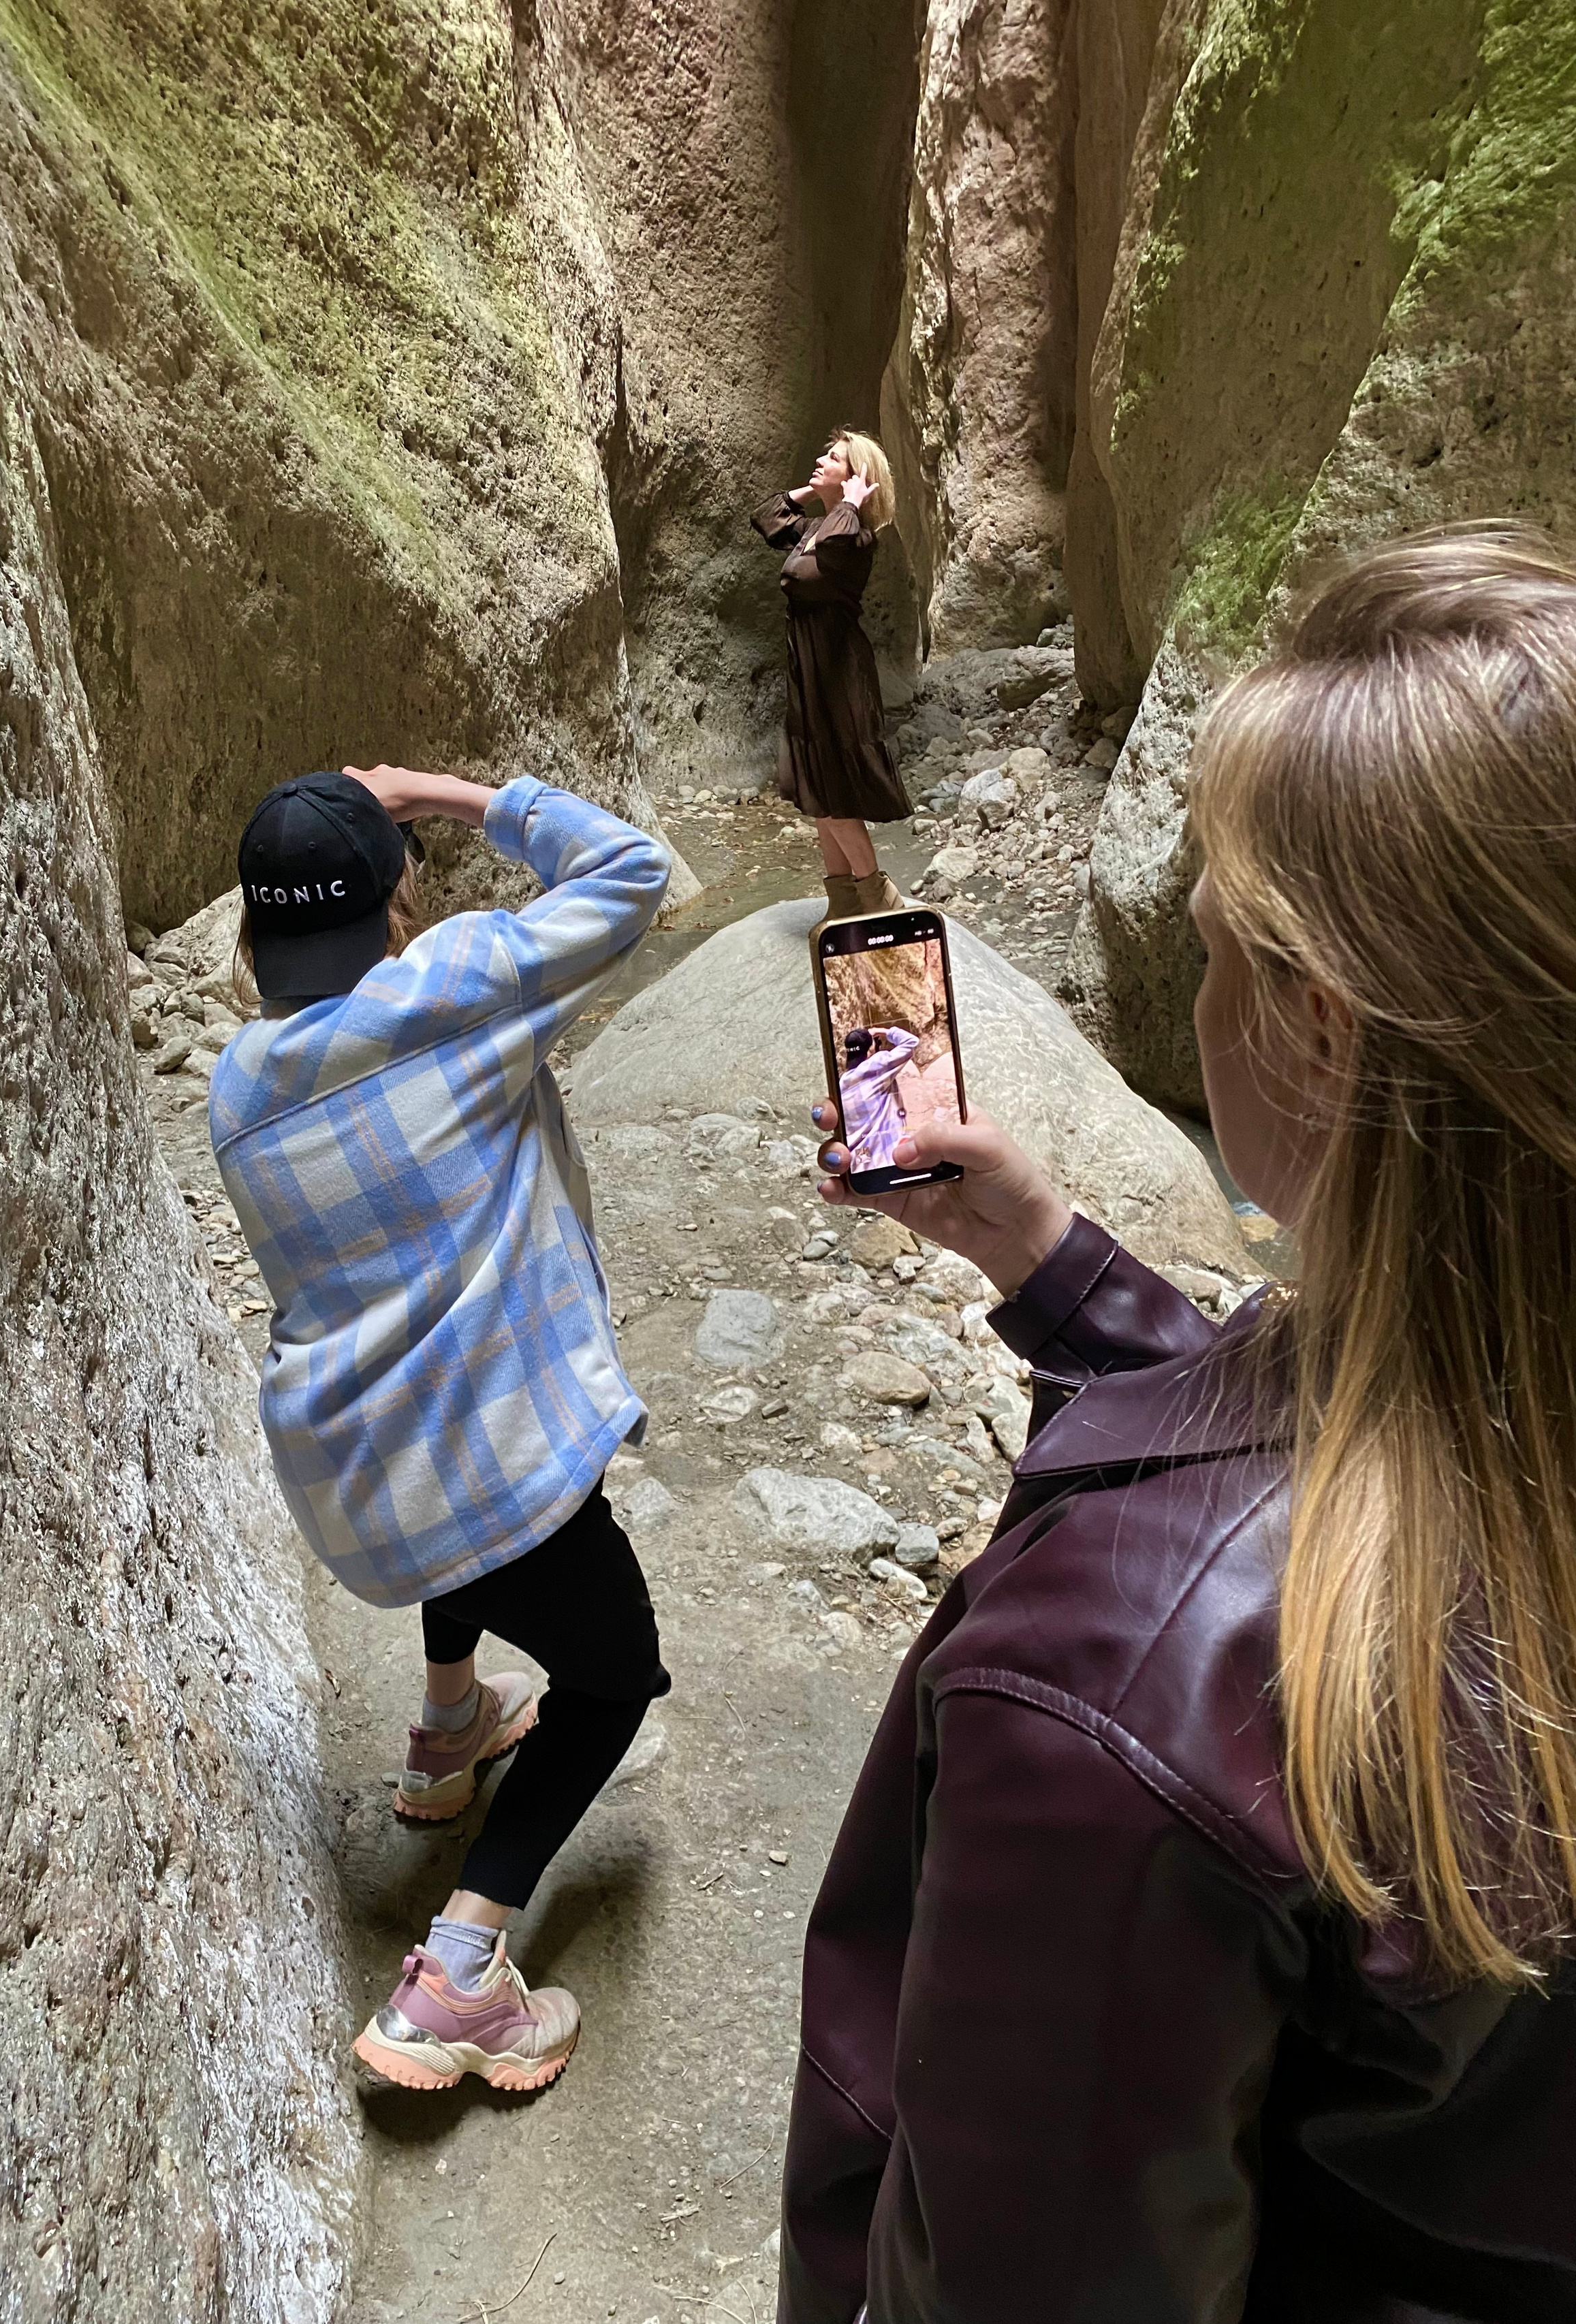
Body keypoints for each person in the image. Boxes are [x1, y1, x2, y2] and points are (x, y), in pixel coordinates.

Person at [779, 526, 1576, 2320]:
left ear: (1310, 1031)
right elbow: (1382, 1422)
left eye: (1215, 945)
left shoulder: (1121, 1676)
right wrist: (1056, 1265)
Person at [209, 763, 672, 2095]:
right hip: (492, 1475)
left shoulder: (237, 1091)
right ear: (398, 898)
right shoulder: (458, 986)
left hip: (358, 1484)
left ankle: (447, 1724)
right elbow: (632, 873)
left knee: (447, 1465)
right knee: (611, 1676)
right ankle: (455, 1979)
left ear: (250, 935)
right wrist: (449, 794)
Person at [752, 431, 910, 926]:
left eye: (834, 458)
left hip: (839, 673)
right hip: (810, 669)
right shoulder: (814, 528)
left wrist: (854, 498)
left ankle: (880, 899)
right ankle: (843, 903)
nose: (820, 459)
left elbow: (840, 539)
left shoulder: (855, 535)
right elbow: (765, 517)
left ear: (858, 477)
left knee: (836, 790)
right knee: (820, 788)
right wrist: (812, 490)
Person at [836, 1025, 917, 1173]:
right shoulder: (877, 1066)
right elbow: (911, 1042)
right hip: (891, 1158)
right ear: (869, 1052)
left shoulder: (842, 1084)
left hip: (862, 1164)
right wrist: (884, 1032)